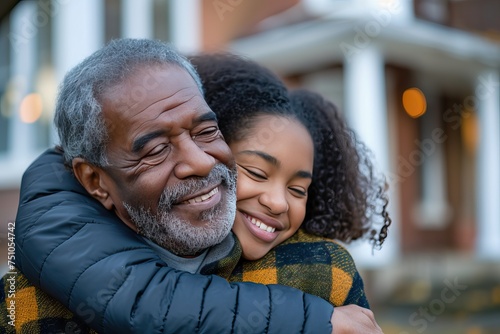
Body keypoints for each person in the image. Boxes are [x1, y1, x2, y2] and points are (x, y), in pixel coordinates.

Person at [3, 39, 381, 333]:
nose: (201, 161)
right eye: (155, 149)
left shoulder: (319, 274)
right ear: (95, 181)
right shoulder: (26, 304)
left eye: (206, 131)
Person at [190, 53, 391, 306]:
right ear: (210, 153)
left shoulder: (321, 270)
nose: (278, 203)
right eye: (257, 173)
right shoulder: (150, 252)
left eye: (297, 190)